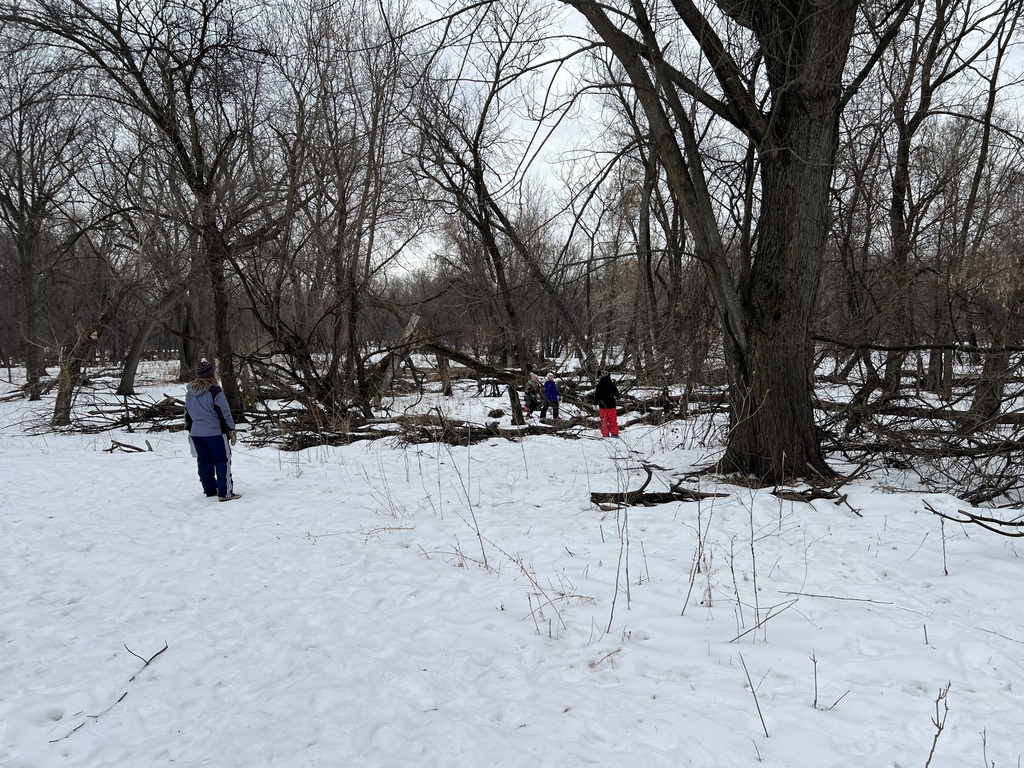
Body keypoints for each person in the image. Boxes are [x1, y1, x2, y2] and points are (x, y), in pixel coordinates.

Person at [184, 360, 241, 501]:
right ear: (212, 374)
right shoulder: (215, 391)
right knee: (222, 461)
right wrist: (231, 429)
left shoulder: (190, 392)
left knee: (204, 462)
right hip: (215, 433)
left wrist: (190, 430)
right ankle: (225, 493)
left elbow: (187, 413)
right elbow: (224, 412)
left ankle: (210, 490)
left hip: (197, 433)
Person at [593, 369, 620, 438]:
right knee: (613, 420)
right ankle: (614, 434)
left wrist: (595, 403)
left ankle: (605, 434)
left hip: (602, 406)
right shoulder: (611, 384)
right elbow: (617, 394)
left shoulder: (599, 386)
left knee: (604, 420)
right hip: (611, 405)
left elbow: (597, 396)